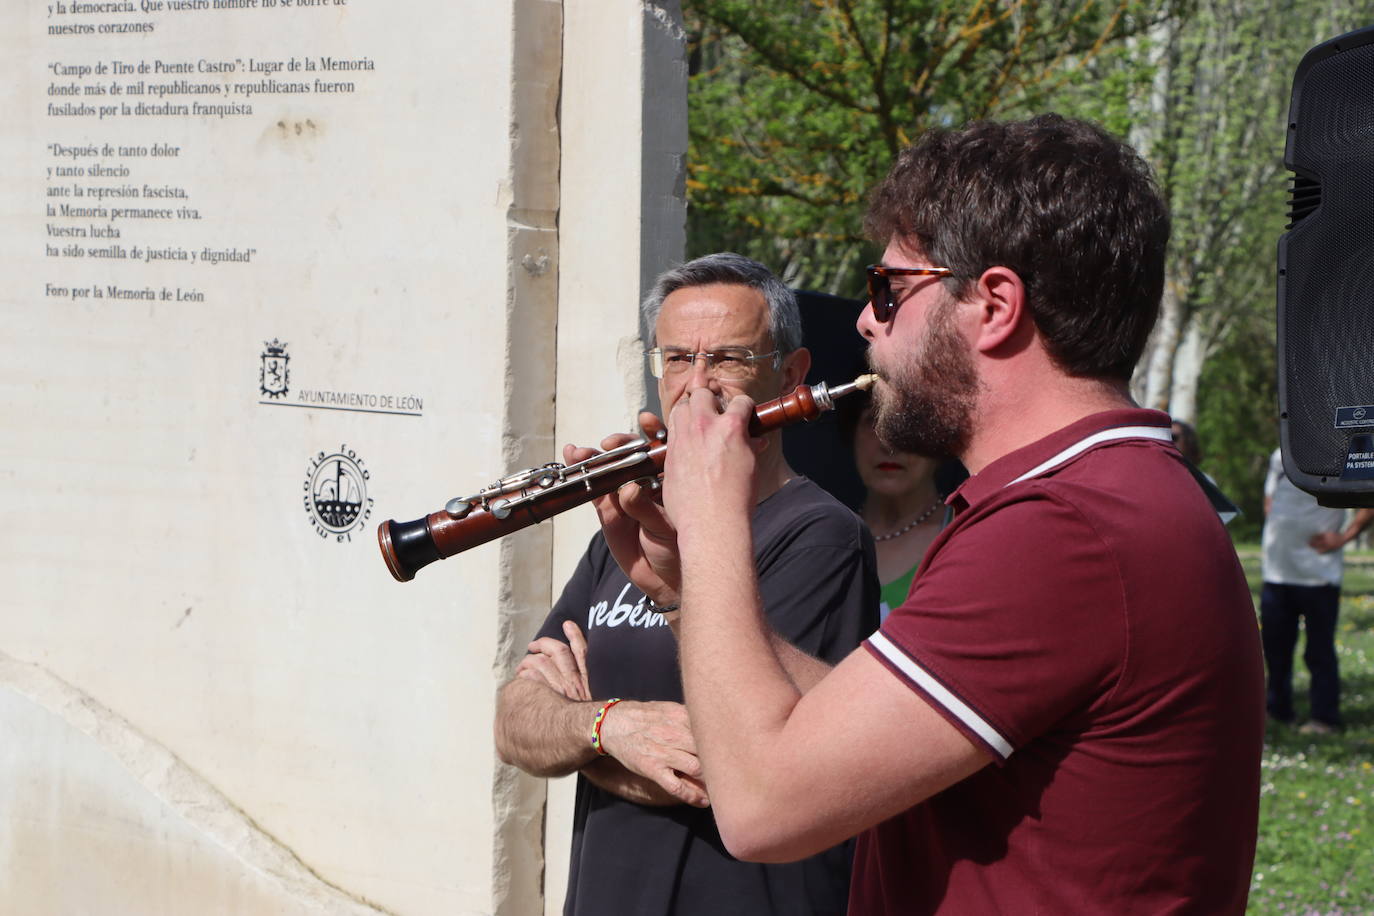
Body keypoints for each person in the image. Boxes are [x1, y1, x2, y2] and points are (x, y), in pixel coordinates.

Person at [595, 115, 1266, 914]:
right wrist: (681, 591)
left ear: (993, 305)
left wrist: (708, 525)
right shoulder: (1094, 497)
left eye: (890, 289)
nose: (866, 320)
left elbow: (763, 807)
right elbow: (850, 733)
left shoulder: (1061, 530)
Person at [492, 252, 879, 915]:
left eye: (727, 359)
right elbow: (513, 722)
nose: (698, 387)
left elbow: (749, 766)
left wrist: (578, 734)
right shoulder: (632, 527)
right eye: (676, 360)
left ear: (791, 374)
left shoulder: (822, 534)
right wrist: (609, 726)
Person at [1261, 446, 1374, 733]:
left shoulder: (1336, 454)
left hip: (1319, 573)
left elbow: (1369, 496)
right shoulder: (1280, 454)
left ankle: (1324, 718)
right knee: (1276, 650)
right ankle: (1277, 711)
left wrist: (1345, 537)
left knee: (1319, 652)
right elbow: (1269, 499)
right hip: (1277, 570)